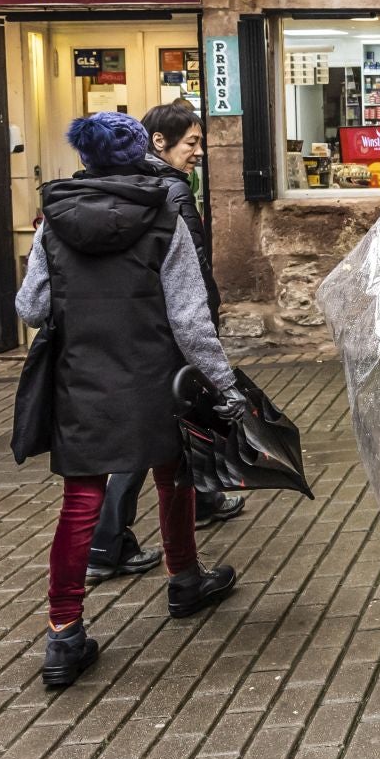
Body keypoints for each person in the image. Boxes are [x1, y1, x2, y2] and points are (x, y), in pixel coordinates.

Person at [17, 111, 243, 690]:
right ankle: (185, 580)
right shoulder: (163, 215)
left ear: (86, 158)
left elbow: (32, 309)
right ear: (142, 153)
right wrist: (225, 386)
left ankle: (64, 633)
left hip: (82, 379)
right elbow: (191, 321)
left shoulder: (53, 221)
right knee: (174, 478)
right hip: (152, 374)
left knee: (80, 504)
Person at [86, 101, 244, 583]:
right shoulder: (169, 193)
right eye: (192, 143)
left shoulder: (101, 199)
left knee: (162, 440)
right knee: (155, 442)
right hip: (162, 338)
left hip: (120, 343)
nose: (199, 152)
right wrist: (207, 328)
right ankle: (110, 543)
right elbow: (190, 269)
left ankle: (199, 508)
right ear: (158, 142)